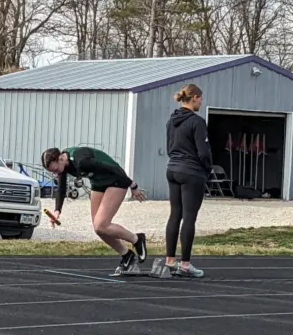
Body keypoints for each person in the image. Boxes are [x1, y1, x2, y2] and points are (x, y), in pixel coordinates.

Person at [41, 146, 147, 275]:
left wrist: (133, 185)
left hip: (116, 180)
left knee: (102, 224)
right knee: (98, 229)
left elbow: (113, 168)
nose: (56, 173)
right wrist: (57, 211)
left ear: (60, 158)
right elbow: (61, 188)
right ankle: (127, 255)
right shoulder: (64, 164)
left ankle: (137, 239)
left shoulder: (82, 160)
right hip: (98, 183)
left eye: (55, 169)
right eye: (53, 171)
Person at [164, 84, 213, 279]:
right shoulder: (197, 122)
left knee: (175, 214)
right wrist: (207, 169)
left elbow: (169, 147)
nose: (201, 102)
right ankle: (185, 263)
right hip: (191, 171)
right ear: (194, 98)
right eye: (201, 99)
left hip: (173, 168)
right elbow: (203, 151)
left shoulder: (171, 121)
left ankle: (169, 260)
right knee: (190, 216)